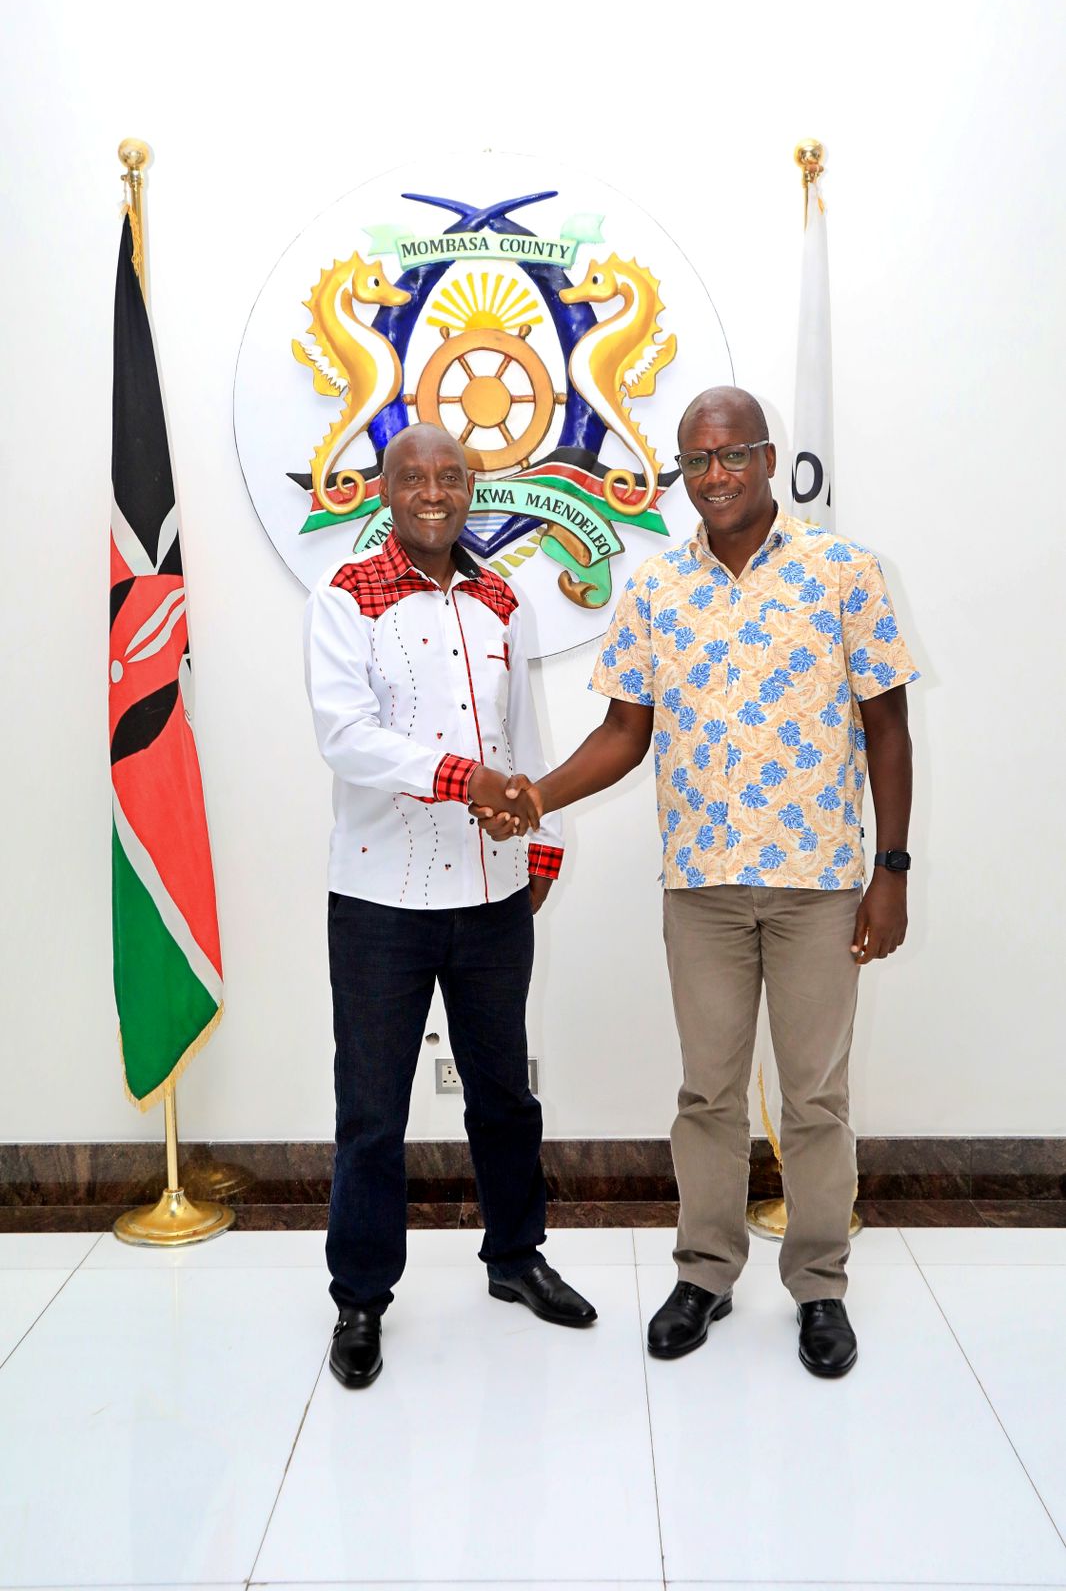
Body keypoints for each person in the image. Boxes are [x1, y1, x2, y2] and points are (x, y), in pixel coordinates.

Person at [475, 386, 919, 1378]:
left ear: (767, 458)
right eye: (695, 462)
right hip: (703, 887)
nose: (712, 475)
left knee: (814, 1100)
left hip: (816, 882)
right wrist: (532, 798)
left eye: (730, 455)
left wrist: (889, 870)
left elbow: (886, 727)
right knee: (706, 1094)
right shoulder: (657, 590)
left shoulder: (843, 572)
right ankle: (706, 1273)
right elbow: (622, 736)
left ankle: (817, 1286)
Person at [304, 424, 597, 1390]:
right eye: (413, 476)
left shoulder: (502, 599)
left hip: (490, 893)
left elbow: (526, 729)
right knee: (374, 1110)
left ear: (472, 488)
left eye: (451, 476)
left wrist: (540, 835)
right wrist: (456, 775)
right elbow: (345, 738)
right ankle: (360, 1296)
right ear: (382, 491)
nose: (434, 490)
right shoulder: (345, 597)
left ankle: (515, 1258)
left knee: (503, 1093)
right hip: (381, 897)